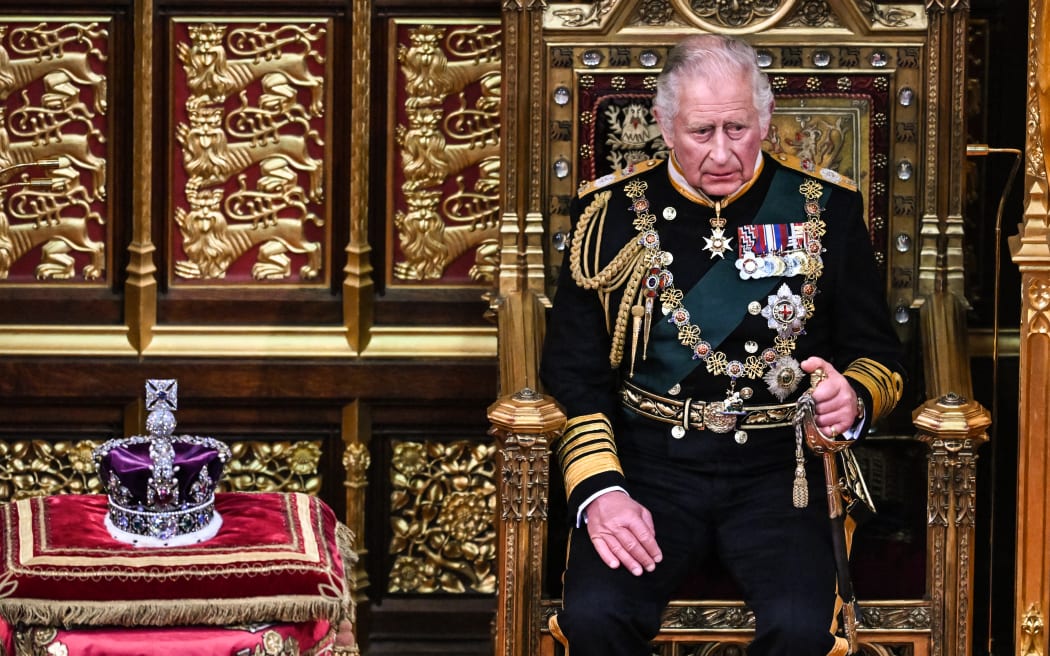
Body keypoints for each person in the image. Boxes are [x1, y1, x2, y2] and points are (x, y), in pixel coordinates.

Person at [539, 34, 906, 656]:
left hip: (779, 473)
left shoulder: (828, 211)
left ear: (765, 119)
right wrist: (603, 492)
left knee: (799, 627)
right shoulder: (609, 216)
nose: (719, 153)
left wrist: (853, 397)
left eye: (737, 128)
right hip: (647, 467)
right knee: (597, 617)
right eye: (700, 131)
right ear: (663, 123)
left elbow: (880, 356)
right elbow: (573, 372)